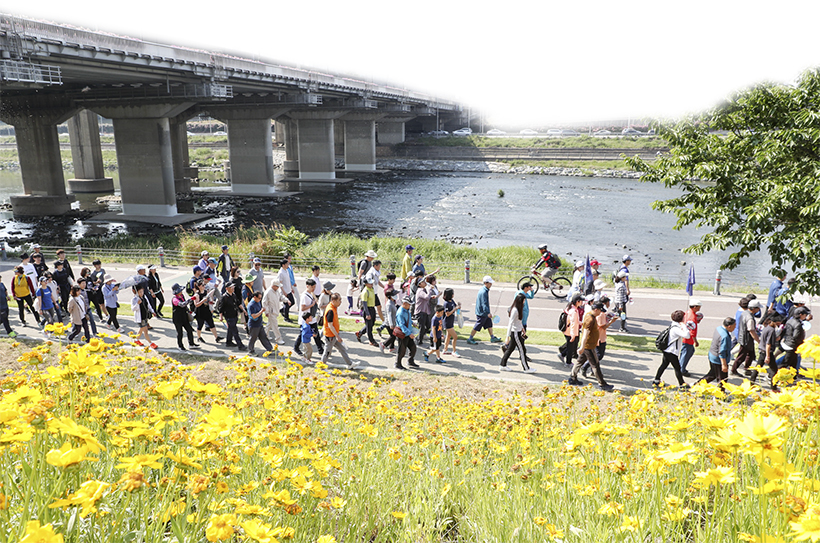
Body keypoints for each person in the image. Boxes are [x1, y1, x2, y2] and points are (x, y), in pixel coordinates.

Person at [569, 302, 613, 390]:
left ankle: (572, 378)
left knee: (579, 362)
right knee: (595, 365)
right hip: (589, 346)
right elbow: (585, 334)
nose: (601, 313)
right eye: (600, 311)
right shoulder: (590, 319)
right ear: (596, 310)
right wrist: (582, 347)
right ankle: (602, 384)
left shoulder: (590, 316)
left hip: (588, 345)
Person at [652, 310, 691, 388]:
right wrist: (684, 326)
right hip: (672, 352)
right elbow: (687, 335)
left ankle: (656, 380)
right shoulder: (676, 328)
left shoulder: (674, 324)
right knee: (677, 368)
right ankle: (682, 384)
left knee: (664, 365)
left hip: (667, 350)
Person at [321, 293, 358, 369]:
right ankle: (321, 366)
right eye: (339, 300)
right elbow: (330, 325)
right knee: (327, 352)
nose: (340, 302)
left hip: (334, 335)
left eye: (341, 299)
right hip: (330, 336)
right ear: (333, 300)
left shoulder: (333, 307)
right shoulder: (330, 310)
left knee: (342, 349)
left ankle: (350, 364)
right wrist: (337, 336)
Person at [499, 293, 534, 373]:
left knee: (510, 349)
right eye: (524, 300)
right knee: (522, 350)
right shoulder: (515, 310)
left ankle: (502, 365)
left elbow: (518, 321)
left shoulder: (519, 308)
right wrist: (507, 337)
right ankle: (526, 368)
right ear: (520, 301)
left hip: (518, 331)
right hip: (515, 333)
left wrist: (522, 329)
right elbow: (510, 323)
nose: (525, 302)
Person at [466, 276, 502, 345]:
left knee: (489, 324)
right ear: (486, 283)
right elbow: (484, 303)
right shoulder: (483, 292)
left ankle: (492, 337)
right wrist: (488, 312)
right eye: (490, 283)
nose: (491, 284)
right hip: (482, 313)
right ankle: (470, 338)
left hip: (483, 312)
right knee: (477, 326)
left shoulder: (484, 289)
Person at [750, 313, 783, 389]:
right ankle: (773, 387)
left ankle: (751, 383)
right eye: (779, 321)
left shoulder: (766, 328)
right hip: (767, 352)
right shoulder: (771, 330)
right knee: (774, 370)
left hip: (762, 350)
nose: (780, 323)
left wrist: (775, 339)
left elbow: (766, 340)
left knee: (758, 367)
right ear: (775, 322)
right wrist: (768, 356)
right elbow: (768, 344)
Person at [701, 317, 736, 386]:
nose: (735, 328)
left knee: (712, 375)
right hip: (718, 360)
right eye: (734, 326)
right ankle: (720, 395)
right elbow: (722, 352)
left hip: (712, 355)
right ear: (729, 326)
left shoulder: (719, 328)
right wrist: (724, 365)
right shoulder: (725, 336)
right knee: (722, 380)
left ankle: (696, 386)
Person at [731, 298, 761, 376]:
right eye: (758, 308)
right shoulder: (750, 318)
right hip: (746, 339)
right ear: (754, 309)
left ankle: (747, 369)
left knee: (751, 355)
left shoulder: (744, 313)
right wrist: (758, 341)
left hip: (742, 337)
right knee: (741, 356)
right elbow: (751, 330)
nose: (759, 310)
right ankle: (733, 370)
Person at [295, 278, 323, 355]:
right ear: (307, 286)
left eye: (314, 287)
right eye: (312, 287)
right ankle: (296, 347)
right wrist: (312, 305)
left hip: (311, 317)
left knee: (316, 333)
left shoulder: (311, 293)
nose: (314, 288)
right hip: (305, 319)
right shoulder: (304, 296)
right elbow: (302, 308)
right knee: (302, 334)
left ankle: (320, 349)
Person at [217, 282, 246, 351]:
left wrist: (244, 310)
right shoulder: (224, 297)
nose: (233, 288)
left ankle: (229, 342)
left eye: (233, 287)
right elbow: (221, 308)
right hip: (228, 316)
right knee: (235, 331)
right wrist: (220, 316)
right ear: (227, 288)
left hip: (234, 315)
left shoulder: (234, 295)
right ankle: (240, 345)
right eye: (231, 287)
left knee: (231, 329)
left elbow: (238, 303)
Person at [192, 280, 222, 344]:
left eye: (204, 285)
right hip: (200, 312)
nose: (204, 286)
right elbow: (196, 305)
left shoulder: (206, 292)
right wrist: (203, 301)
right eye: (202, 285)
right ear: (199, 286)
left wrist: (211, 302)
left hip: (206, 310)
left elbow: (208, 300)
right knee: (200, 325)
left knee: (211, 324)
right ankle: (199, 337)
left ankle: (216, 337)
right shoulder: (196, 295)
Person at [171, 284, 199, 351]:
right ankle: (180, 346)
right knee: (180, 332)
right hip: (177, 318)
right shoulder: (174, 299)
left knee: (189, 330)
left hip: (184, 316)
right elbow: (182, 304)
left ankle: (191, 344)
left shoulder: (182, 296)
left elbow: (185, 306)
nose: (181, 291)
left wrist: (189, 311)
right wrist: (190, 299)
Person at [782, 306, 810, 371]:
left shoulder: (790, 320)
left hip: (787, 342)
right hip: (792, 345)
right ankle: (773, 375)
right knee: (785, 363)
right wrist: (802, 343)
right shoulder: (798, 324)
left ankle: (793, 377)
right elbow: (796, 336)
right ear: (801, 315)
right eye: (805, 315)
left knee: (793, 363)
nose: (806, 316)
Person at [679, 298, 702, 377]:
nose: (700, 308)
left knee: (688, 352)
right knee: (686, 354)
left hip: (685, 337)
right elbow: (692, 332)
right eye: (699, 306)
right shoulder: (692, 318)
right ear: (695, 307)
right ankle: (681, 369)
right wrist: (695, 341)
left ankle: (681, 367)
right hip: (688, 339)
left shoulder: (688, 312)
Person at [559, 295, 584, 365]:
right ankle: (568, 362)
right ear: (577, 302)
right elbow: (573, 323)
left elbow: (575, 321)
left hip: (568, 330)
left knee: (570, 346)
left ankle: (562, 355)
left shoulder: (571, 308)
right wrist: (573, 335)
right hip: (570, 332)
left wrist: (581, 323)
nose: (582, 302)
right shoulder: (574, 311)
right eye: (581, 301)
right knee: (571, 348)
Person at [247, 291, 273, 356]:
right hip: (253, 325)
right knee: (253, 338)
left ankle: (269, 349)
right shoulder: (251, 305)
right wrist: (261, 311)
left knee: (263, 337)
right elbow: (253, 316)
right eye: (259, 298)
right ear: (255, 297)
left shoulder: (257, 302)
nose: (260, 300)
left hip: (259, 324)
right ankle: (251, 351)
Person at [394, 296, 417, 370]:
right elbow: (402, 325)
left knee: (413, 348)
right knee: (401, 350)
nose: (410, 306)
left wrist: (412, 323)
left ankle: (410, 361)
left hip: (408, 333)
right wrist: (409, 333)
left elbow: (408, 320)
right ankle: (398, 364)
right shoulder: (401, 312)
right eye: (409, 304)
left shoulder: (407, 310)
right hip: (403, 334)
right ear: (404, 303)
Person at [131, 284, 156, 349]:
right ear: (136, 292)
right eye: (140, 292)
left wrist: (152, 311)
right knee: (145, 331)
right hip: (140, 317)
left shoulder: (144, 297)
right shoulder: (135, 299)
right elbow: (133, 309)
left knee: (142, 330)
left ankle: (136, 340)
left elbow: (148, 305)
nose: (141, 293)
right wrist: (137, 304)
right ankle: (150, 343)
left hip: (145, 316)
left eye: (142, 291)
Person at [355, 277, 379, 346]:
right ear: (366, 284)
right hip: (367, 309)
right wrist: (367, 314)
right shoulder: (365, 292)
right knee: (369, 327)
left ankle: (360, 333)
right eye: (370, 283)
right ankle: (371, 341)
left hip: (372, 308)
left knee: (371, 324)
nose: (372, 284)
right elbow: (364, 304)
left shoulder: (372, 289)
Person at [262, 279, 285, 344]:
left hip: (275, 310)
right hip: (270, 312)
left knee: (270, 324)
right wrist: (266, 312)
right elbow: (264, 303)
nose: (278, 288)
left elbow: (280, 297)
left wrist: (286, 300)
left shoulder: (277, 291)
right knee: (275, 326)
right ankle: (278, 338)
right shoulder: (268, 292)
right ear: (274, 286)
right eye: (277, 286)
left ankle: (265, 335)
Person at [441, 288, 461, 358]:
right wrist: (455, 309)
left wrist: (458, 306)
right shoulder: (446, 303)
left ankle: (445, 349)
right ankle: (454, 351)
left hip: (451, 321)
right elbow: (447, 314)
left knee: (448, 336)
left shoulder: (451, 301)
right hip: (447, 323)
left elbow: (455, 306)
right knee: (455, 336)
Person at [379, 288, 399, 354]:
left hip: (393, 322)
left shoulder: (392, 302)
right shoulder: (389, 304)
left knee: (393, 335)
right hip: (389, 323)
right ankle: (383, 344)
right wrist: (391, 324)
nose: (396, 295)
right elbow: (389, 315)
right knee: (393, 336)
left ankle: (391, 347)